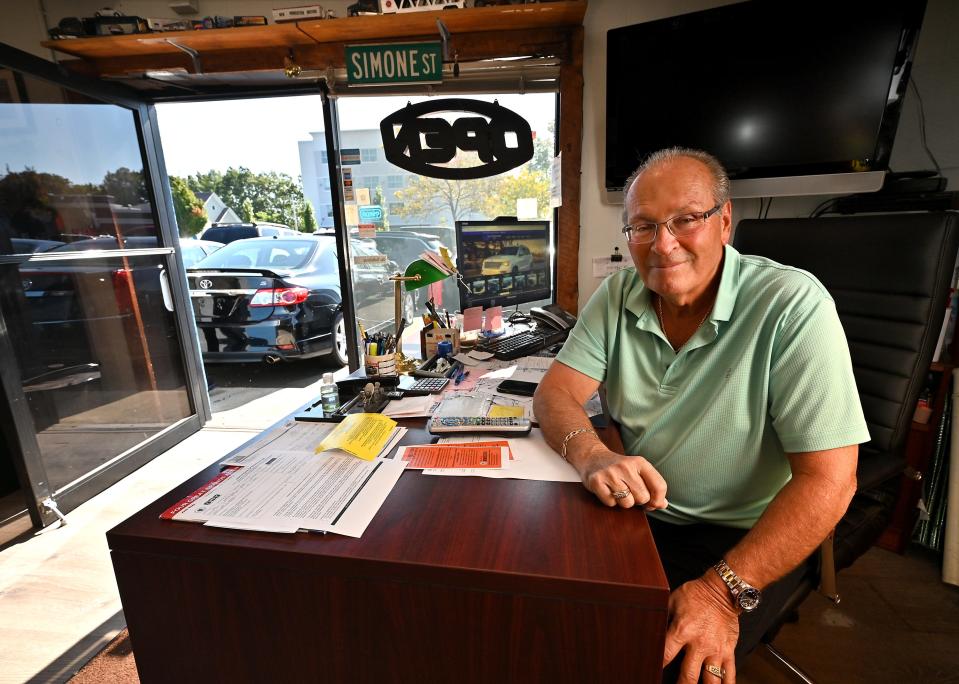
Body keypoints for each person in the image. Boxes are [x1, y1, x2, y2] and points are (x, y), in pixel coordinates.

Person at [533, 148, 869, 683]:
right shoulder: (619, 293)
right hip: (635, 516)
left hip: (740, 538)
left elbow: (830, 481)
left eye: (686, 220)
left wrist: (720, 593)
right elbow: (554, 393)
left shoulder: (793, 305)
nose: (663, 244)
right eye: (643, 226)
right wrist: (592, 452)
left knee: (646, 662)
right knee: (538, 619)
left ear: (725, 222)